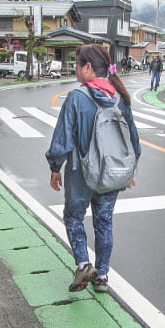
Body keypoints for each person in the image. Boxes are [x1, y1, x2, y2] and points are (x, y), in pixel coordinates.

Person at [45, 44, 141, 293]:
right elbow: (133, 139)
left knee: (74, 217)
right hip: (113, 172)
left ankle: (84, 263)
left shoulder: (77, 98)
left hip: (80, 173)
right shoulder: (120, 96)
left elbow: (62, 139)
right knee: (104, 222)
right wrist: (131, 171)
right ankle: (102, 277)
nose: (76, 70)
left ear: (88, 68)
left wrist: (56, 166)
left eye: (78, 65)